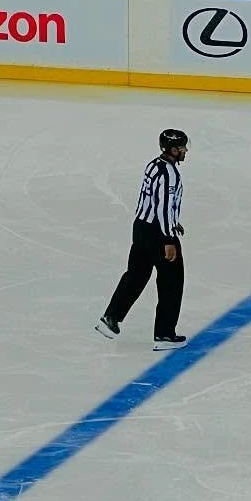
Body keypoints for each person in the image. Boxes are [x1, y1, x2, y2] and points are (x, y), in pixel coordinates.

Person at [96, 129, 190, 351]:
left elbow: (154, 201)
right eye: (182, 147)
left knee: (136, 275)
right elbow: (163, 205)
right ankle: (164, 334)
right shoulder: (170, 174)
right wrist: (169, 238)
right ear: (173, 150)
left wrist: (173, 221)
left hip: (141, 228)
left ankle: (110, 318)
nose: (186, 150)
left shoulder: (153, 165)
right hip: (159, 234)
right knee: (172, 282)